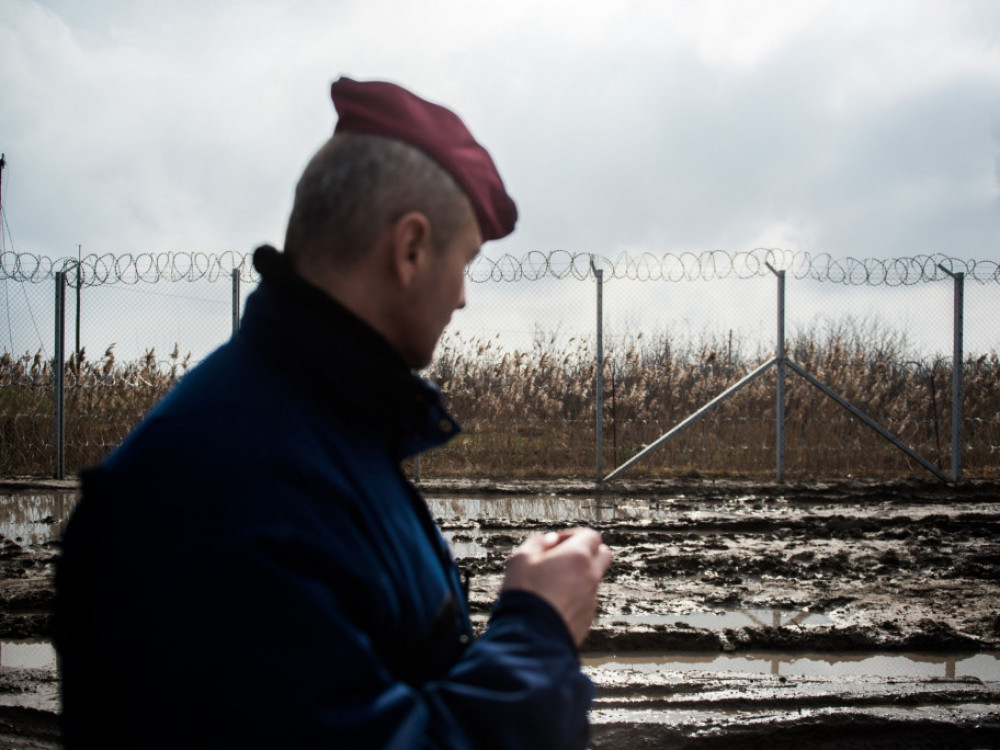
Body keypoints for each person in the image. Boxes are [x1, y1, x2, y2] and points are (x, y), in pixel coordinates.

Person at [55, 76, 612, 749]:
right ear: (409, 249)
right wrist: (536, 633)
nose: (464, 298)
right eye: (464, 262)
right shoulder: (228, 489)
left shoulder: (318, 432)